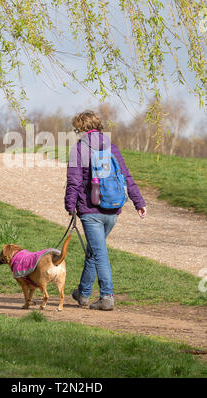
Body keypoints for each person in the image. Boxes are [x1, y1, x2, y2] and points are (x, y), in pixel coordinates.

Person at [64, 110, 147, 311]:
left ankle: (107, 296)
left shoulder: (79, 149)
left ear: (81, 129)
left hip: (90, 211)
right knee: (94, 251)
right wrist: (138, 202)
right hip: (113, 209)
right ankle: (83, 294)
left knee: (99, 254)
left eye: (77, 129)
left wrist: (70, 206)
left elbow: (74, 182)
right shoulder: (112, 147)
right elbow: (126, 177)